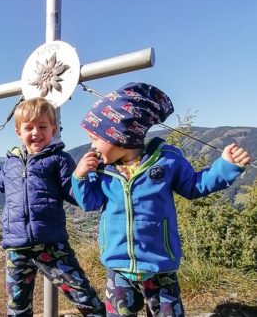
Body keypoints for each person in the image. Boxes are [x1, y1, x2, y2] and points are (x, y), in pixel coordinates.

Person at [71, 82, 251, 316]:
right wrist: (80, 176)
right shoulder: (103, 170)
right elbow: (89, 203)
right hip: (118, 266)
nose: (92, 145)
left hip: (159, 264)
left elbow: (194, 186)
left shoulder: (167, 160)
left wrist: (225, 167)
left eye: (96, 138)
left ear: (120, 134)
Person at [0, 97, 105, 316]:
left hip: (51, 243)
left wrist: (83, 175)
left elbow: (72, 193)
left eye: (43, 126)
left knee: (82, 294)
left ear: (54, 128)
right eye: (29, 127)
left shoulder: (59, 159)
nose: (36, 132)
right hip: (17, 246)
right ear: (18, 132)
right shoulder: (12, 162)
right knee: (17, 305)